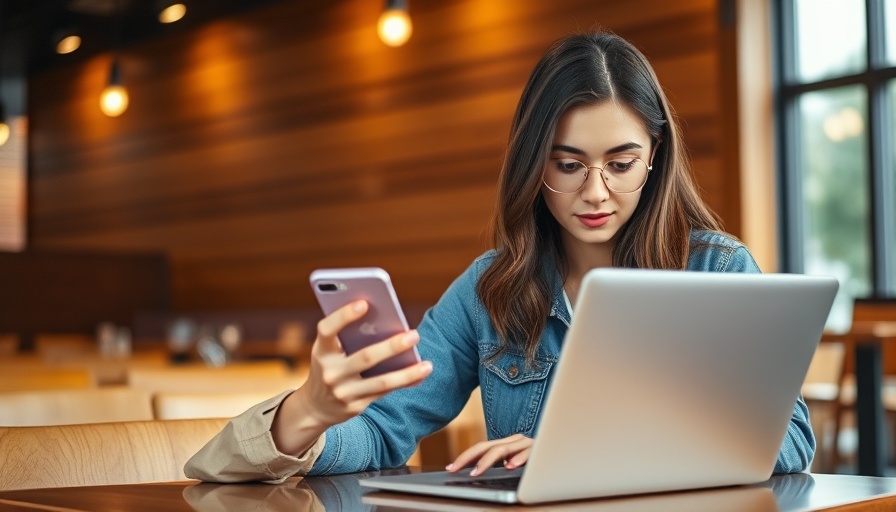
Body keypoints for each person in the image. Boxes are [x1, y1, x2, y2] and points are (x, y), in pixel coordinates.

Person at [185, 30, 815, 482]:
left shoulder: (717, 271)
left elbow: (789, 439)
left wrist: (580, 455)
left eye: (620, 164)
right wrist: (308, 414)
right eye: (567, 165)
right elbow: (382, 432)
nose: (595, 192)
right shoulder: (490, 289)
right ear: (532, 163)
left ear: (654, 156)